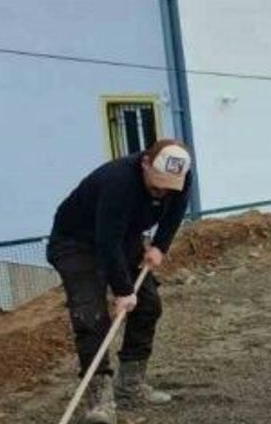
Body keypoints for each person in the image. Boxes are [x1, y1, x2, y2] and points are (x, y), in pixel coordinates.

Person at [47, 140, 193, 424]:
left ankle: (130, 385)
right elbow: (106, 240)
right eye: (157, 184)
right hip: (76, 242)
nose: (162, 191)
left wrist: (160, 246)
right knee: (91, 318)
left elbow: (175, 211)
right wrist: (123, 291)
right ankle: (100, 403)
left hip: (123, 236)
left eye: (169, 185)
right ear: (145, 164)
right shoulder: (118, 181)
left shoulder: (181, 175)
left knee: (148, 305)